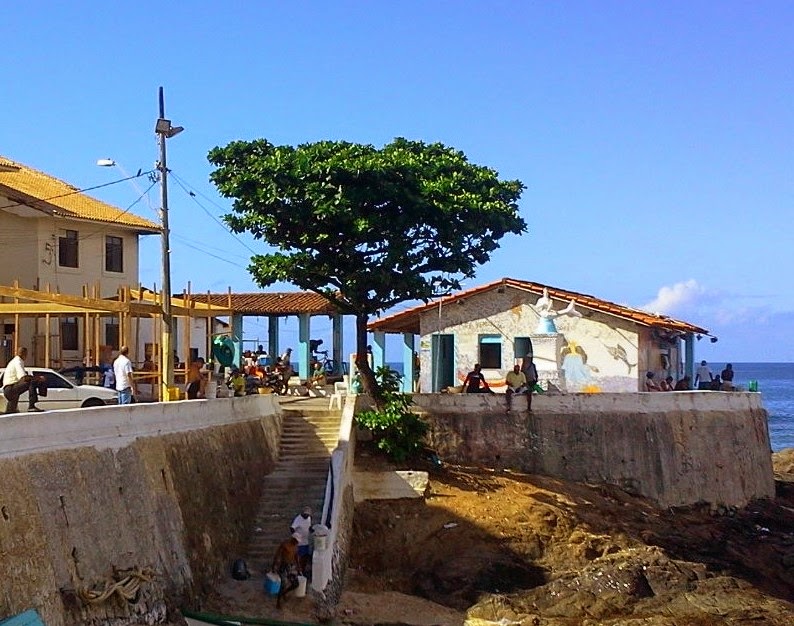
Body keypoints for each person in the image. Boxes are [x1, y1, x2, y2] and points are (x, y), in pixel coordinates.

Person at [2, 347, 42, 413]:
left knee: (11, 412)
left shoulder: (14, 361)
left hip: (8, 390)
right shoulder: (18, 361)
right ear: (24, 354)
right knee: (32, 382)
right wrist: (38, 378)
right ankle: (31, 406)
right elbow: (24, 378)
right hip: (11, 388)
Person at [270, 535, 300, 609]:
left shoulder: (296, 546)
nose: (297, 542)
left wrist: (299, 566)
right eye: (296, 541)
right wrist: (274, 565)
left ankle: (284, 593)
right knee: (283, 584)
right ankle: (278, 602)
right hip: (283, 566)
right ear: (293, 539)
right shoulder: (285, 545)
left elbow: (296, 556)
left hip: (291, 566)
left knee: (296, 584)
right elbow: (277, 555)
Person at [290, 505, 313, 575]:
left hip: (306, 541)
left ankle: (303, 570)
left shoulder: (309, 518)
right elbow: (292, 528)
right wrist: (295, 535)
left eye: (307, 515)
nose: (306, 516)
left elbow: (308, 526)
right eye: (305, 515)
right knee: (299, 557)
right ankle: (298, 570)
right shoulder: (298, 519)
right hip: (299, 542)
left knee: (305, 556)